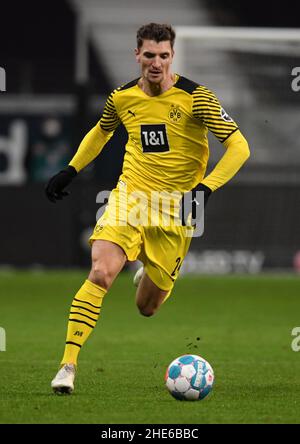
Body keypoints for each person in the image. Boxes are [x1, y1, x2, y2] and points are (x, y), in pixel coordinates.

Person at [46, 23, 250, 394]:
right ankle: (68, 365)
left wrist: (205, 188)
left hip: (175, 211)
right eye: (149, 55)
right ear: (137, 54)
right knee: (101, 273)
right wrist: (71, 168)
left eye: (164, 56)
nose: (156, 63)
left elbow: (239, 148)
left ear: (172, 56)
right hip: (131, 198)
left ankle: (148, 273)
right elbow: (101, 131)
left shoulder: (197, 97)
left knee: (147, 308)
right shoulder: (122, 97)